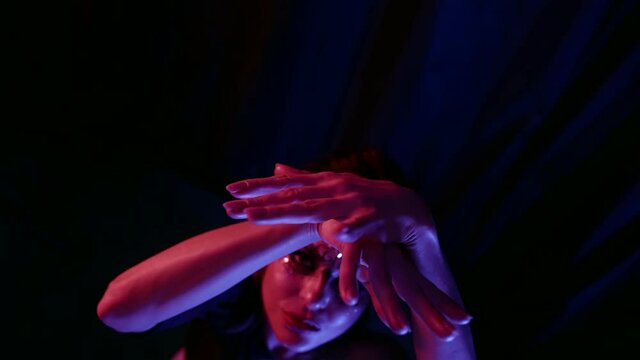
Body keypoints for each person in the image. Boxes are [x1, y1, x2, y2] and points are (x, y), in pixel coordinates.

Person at [97, 149, 476, 359]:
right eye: (302, 260)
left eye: (349, 285)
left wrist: (422, 237)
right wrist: (306, 223)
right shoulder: (233, 299)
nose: (313, 298)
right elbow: (119, 309)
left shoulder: (356, 354)